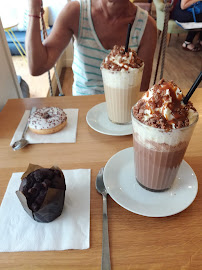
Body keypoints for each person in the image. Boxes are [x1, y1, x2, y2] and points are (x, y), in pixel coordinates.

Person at [26, 0, 157, 95]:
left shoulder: (146, 27)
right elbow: (37, 66)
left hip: (124, 110)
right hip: (83, 106)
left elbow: (141, 90)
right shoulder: (76, 12)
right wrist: (34, 10)